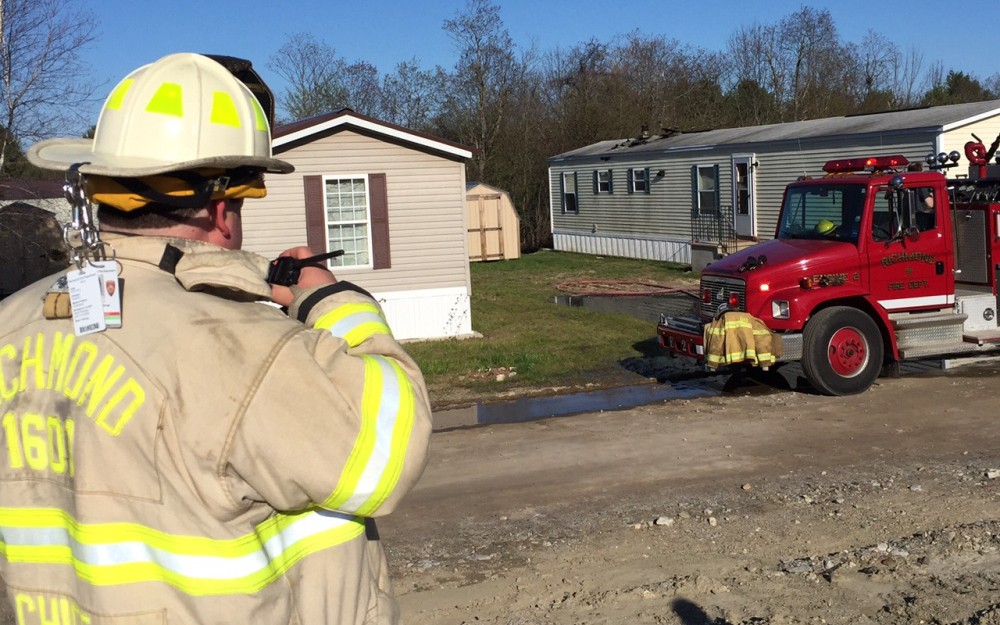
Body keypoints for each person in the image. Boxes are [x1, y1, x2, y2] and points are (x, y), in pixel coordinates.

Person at [0, 53, 432, 624]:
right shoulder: (245, 351)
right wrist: (334, 302)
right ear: (223, 211)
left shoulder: (13, 322)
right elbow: (390, 450)